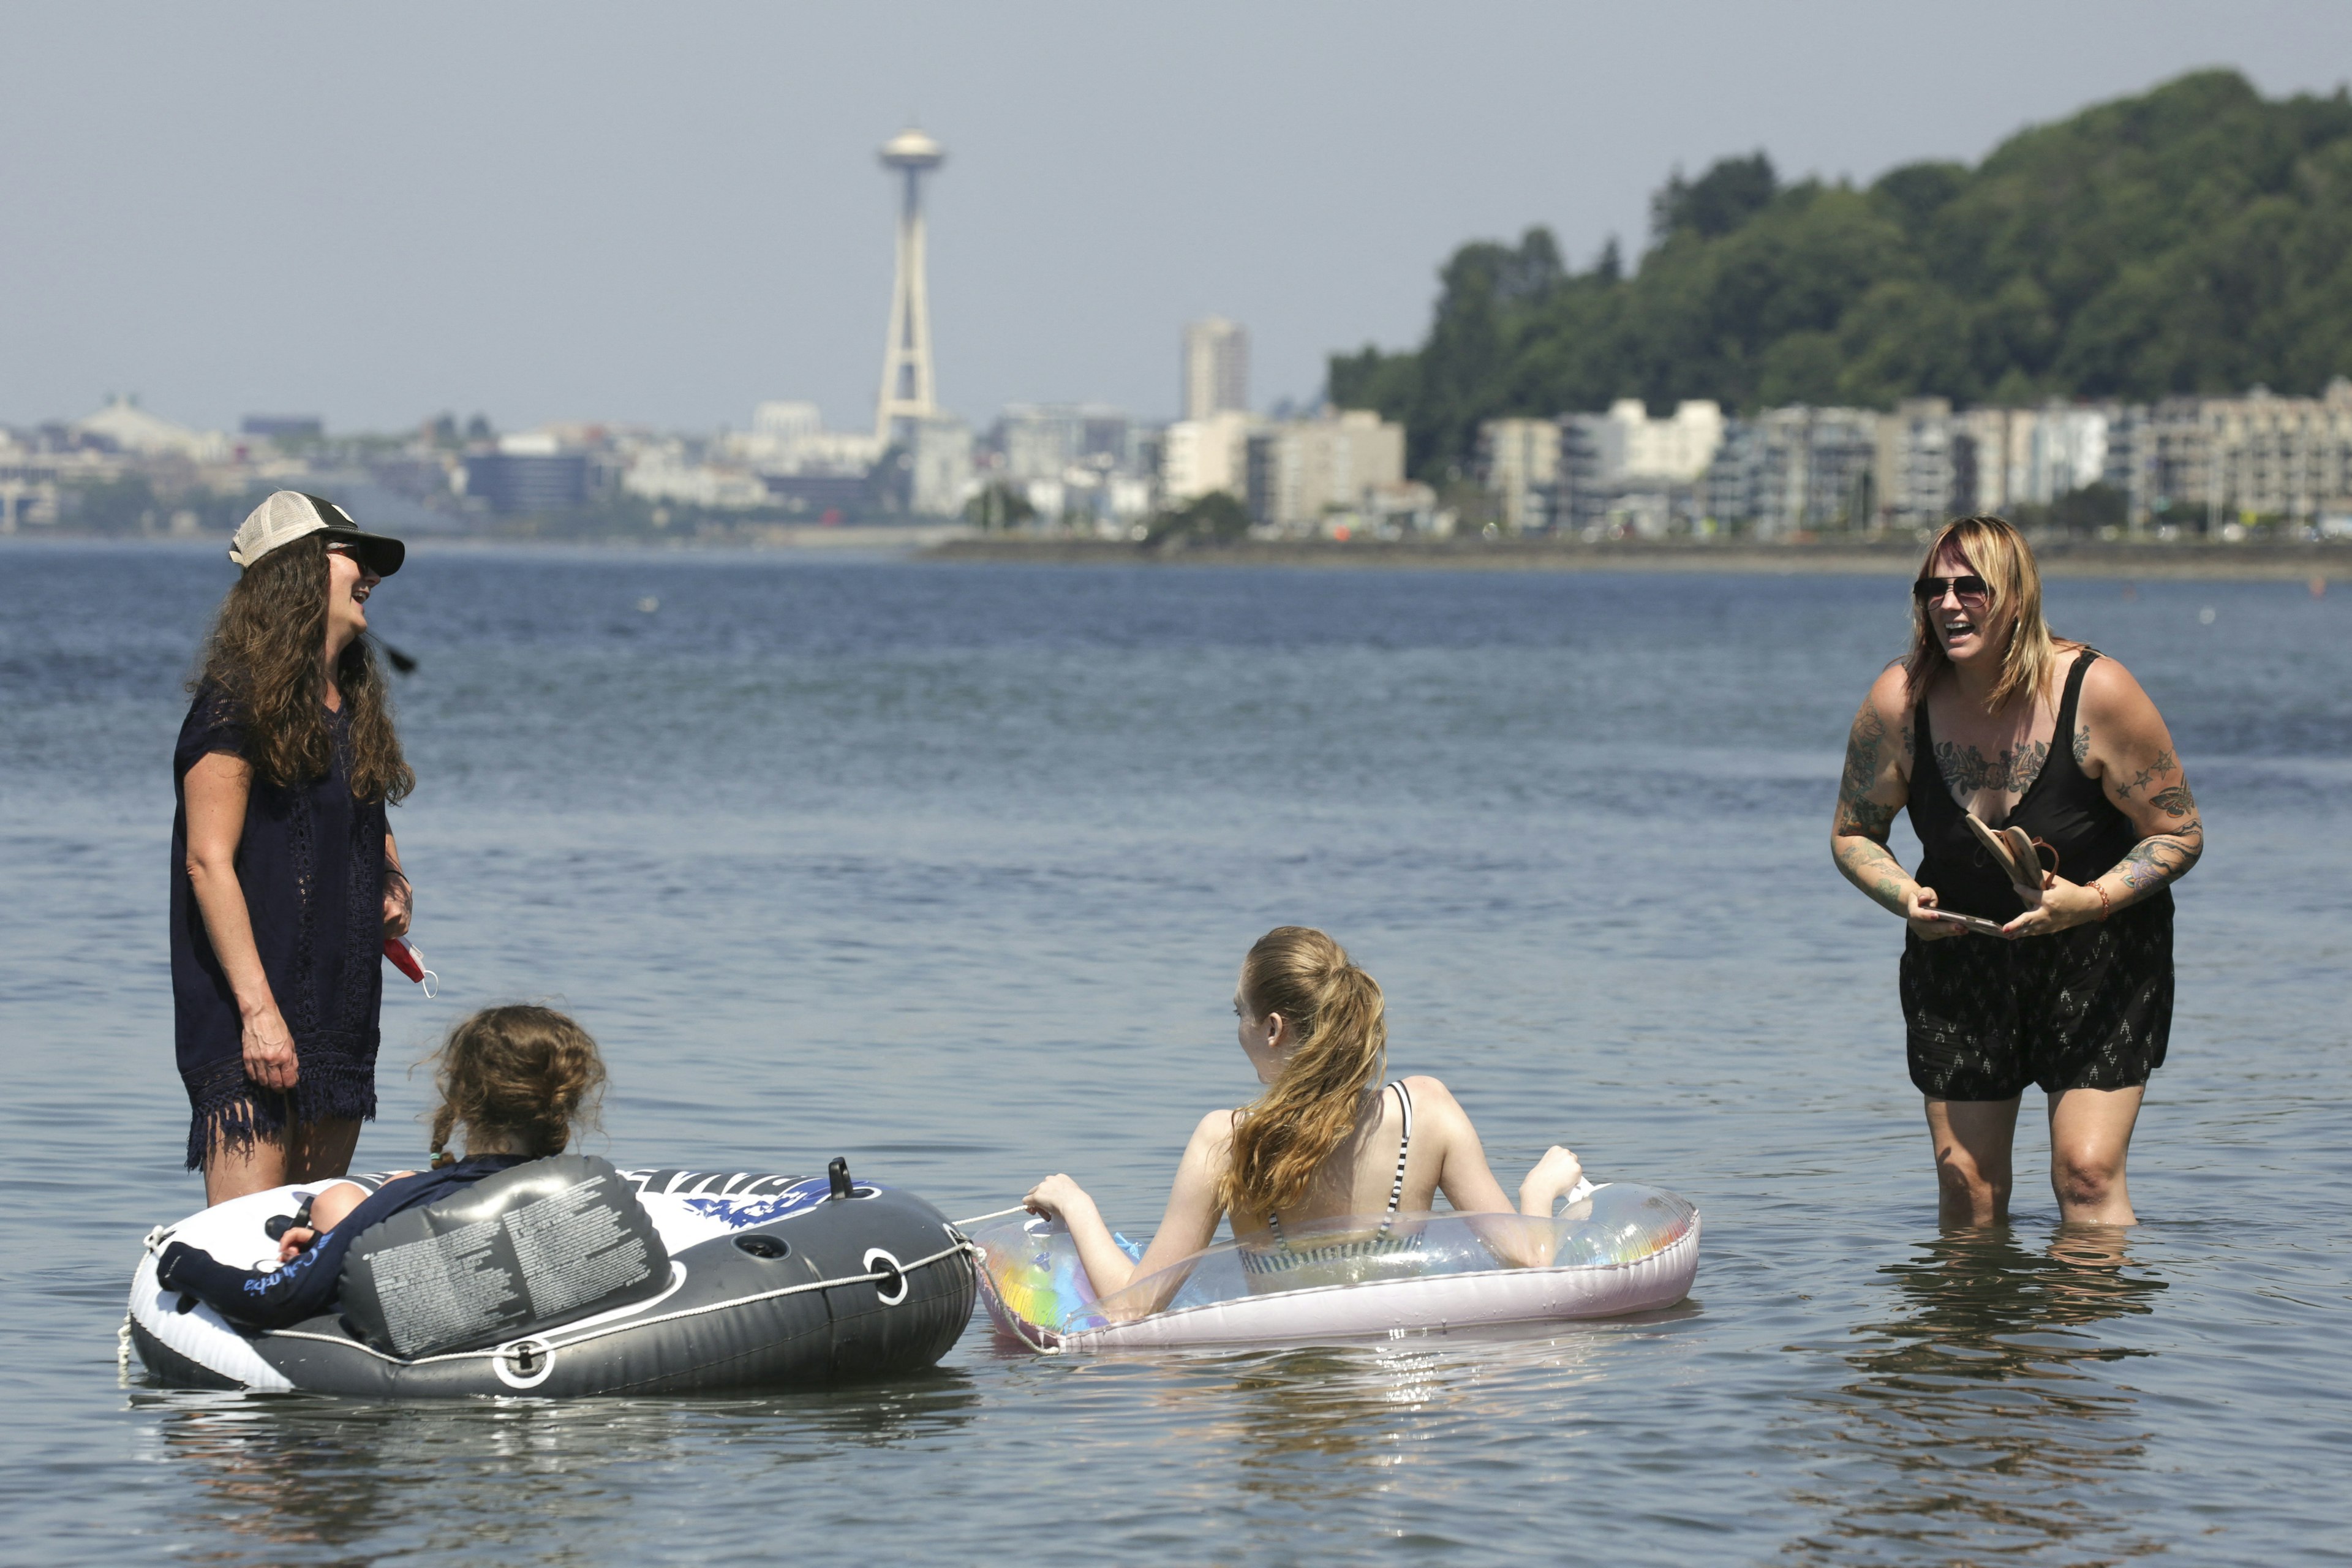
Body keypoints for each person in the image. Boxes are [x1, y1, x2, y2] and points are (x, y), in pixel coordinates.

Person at [1831, 515, 2203, 1228]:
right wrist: (1902, 896)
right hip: (1961, 952)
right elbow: (1854, 834)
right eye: (1931, 589)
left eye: (1970, 587)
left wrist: (2089, 902)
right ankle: (1972, 1341)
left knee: (2087, 1177)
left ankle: (2080, 1337)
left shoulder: (2098, 691)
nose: (1947, 603)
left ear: (2018, 597)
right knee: (1968, 1188)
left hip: (2101, 951)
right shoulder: (1899, 703)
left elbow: (2179, 833)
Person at [1022, 925, 1588, 1302]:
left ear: (1272, 1028)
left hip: (1278, 1393)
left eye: (1238, 1013)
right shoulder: (1429, 1112)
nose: (1236, 1028)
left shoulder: (1227, 1140)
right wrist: (1539, 1190)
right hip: (1396, 1394)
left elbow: (1130, 1306)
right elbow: (1536, 1261)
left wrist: (1076, 1204)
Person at [173, 492, 414, 1204]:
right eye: (352, 556)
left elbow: (369, 812)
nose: (370, 572)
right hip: (249, 1011)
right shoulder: (233, 703)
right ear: (297, 571)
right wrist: (258, 1011)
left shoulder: (355, 701)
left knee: (312, 1236)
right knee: (252, 1236)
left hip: (342, 1013)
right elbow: (207, 860)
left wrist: (395, 884)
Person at [156, 1005, 608, 1330]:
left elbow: (276, 1299)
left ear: (462, 1099)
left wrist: (181, 1260)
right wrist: (328, 1246)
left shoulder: (416, 1201)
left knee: (363, 1197)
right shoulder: (591, 1189)